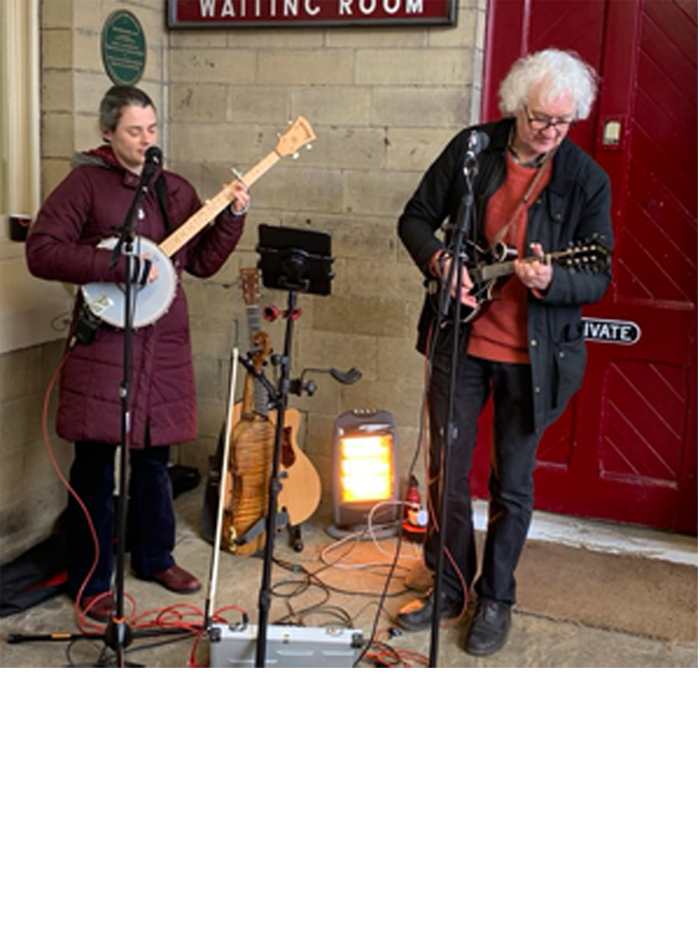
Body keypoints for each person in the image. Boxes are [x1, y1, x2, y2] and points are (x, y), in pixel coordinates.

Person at [396, 49, 613, 655]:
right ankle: (449, 585)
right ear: (516, 105)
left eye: (563, 122)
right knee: (446, 471)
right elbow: (415, 219)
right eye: (540, 118)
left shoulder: (584, 179)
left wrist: (552, 280)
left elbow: (597, 274)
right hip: (460, 339)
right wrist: (440, 261)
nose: (551, 132)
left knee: (512, 483)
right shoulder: (473, 151)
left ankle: (496, 599)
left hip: (533, 358)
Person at [26, 85, 250, 622]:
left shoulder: (175, 190)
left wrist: (232, 218)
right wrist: (117, 266)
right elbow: (41, 251)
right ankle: (91, 580)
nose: (147, 140)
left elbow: (202, 263)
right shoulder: (84, 185)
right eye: (134, 131)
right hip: (104, 342)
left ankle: (155, 557)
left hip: (163, 343)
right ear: (107, 132)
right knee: (95, 466)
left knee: (154, 460)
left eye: (152, 129)